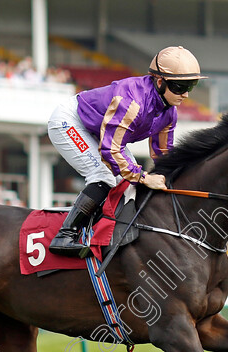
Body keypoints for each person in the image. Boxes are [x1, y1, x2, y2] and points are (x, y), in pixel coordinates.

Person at [47, 46, 206, 257]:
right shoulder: (133, 102)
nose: (185, 94)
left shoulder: (170, 112)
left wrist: (183, 179)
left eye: (191, 86)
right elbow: (110, 150)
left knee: (128, 182)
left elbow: (164, 156)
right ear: (160, 81)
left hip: (98, 129)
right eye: (179, 87)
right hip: (71, 121)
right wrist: (143, 177)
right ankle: (65, 235)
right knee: (103, 176)